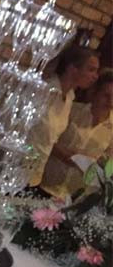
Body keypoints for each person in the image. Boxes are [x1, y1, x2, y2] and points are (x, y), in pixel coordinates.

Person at [29, 46, 101, 189]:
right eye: (91, 69)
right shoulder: (45, 91)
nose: (95, 76)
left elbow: (50, 140)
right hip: (15, 167)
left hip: (35, 174)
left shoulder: (69, 97)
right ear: (72, 68)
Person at [38, 69, 113, 198]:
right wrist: (72, 158)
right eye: (106, 95)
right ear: (94, 92)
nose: (110, 101)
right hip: (45, 185)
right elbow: (46, 140)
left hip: (75, 198)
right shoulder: (72, 110)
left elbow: (108, 166)